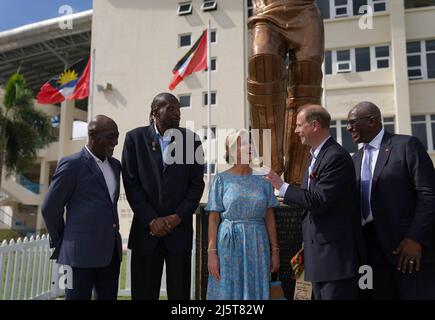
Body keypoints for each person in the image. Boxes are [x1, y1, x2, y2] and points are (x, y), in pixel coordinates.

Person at [265, 105, 360, 300]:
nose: (296, 130)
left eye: (300, 125)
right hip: (317, 257)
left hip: (334, 259)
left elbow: (318, 200)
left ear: (315, 125)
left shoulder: (335, 157)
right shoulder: (313, 157)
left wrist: (281, 186)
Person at [347, 101, 435, 300]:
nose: (348, 128)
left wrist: (415, 238)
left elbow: (428, 195)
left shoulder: (406, 146)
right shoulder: (354, 160)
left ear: (372, 121)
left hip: (404, 250)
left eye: (352, 122)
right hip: (368, 253)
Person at [122, 92, 205, 300]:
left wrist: (177, 217)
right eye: (170, 108)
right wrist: (151, 219)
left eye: (178, 108)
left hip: (179, 233)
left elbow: (196, 185)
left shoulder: (190, 140)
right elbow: (131, 184)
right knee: (143, 294)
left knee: (180, 296)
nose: (177, 112)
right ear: (154, 112)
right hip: (146, 233)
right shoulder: (135, 139)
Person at [41, 115, 122, 300]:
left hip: (111, 255)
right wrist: (64, 239)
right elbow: (49, 208)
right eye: (110, 137)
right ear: (93, 136)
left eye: (117, 136)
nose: (116, 142)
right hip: (77, 257)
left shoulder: (116, 166)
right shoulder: (72, 164)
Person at [247, 0, 324, 184]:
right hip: (265, 11)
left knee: (307, 85)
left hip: (305, 11)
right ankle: (268, 170)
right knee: (262, 65)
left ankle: (297, 179)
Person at [206, 129, 280, 300]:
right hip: (228, 243)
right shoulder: (220, 180)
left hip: (257, 243)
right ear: (232, 150)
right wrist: (211, 254)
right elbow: (213, 219)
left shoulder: (263, 178)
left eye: (251, 142)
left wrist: (275, 250)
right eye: (243, 143)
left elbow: (269, 218)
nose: (250, 146)